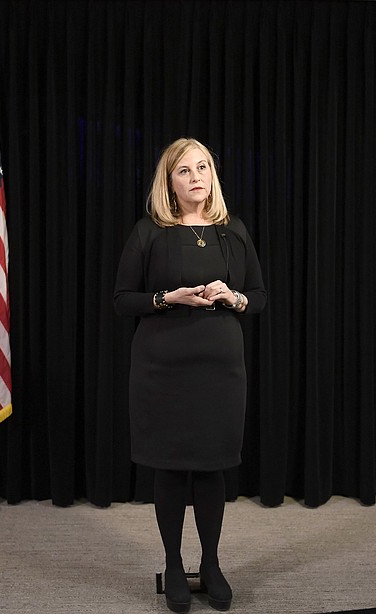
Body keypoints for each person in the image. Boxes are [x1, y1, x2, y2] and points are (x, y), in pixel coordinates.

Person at [114, 138, 267, 612]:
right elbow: (122, 300)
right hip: (164, 369)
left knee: (211, 467)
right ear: (169, 182)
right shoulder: (149, 233)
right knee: (171, 468)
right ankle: (175, 565)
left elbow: (258, 296)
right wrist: (167, 299)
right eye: (184, 171)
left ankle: (213, 563)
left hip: (220, 371)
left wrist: (233, 297)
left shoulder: (233, 231)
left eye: (202, 167)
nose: (196, 177)